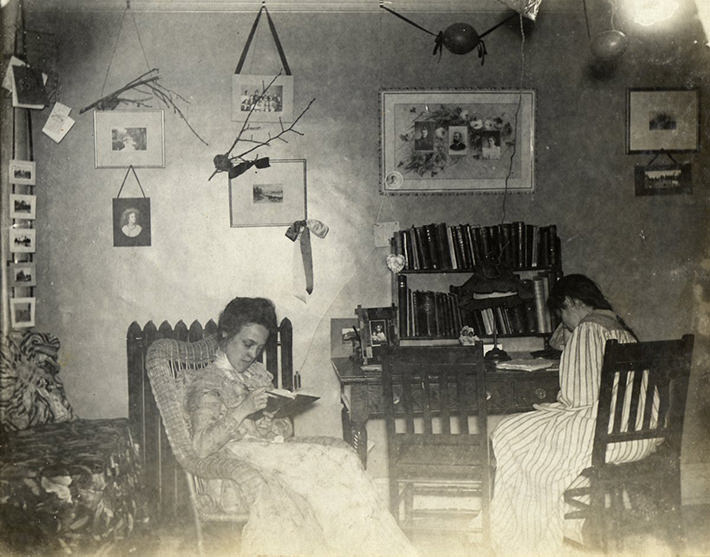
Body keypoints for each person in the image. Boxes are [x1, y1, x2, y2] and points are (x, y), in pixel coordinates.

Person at [185, 297, 418, 557]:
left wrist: (274, 420)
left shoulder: (257, 374)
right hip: (241, 458)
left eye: (258, 348)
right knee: (338, 464)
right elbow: (201, 446)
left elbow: (284, 428)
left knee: (345, 457)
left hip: (269, 453)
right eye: (247, 344)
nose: (252, 355)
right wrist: (244, 411)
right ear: (226, 333)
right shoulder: (207, 381)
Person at [489, 274, 661, 556]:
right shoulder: (621, 330)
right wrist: (570, 326)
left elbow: (578, 397)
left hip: (605, 433)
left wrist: (555, 405)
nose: (562, 321)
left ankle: (527, 540)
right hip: (639, 432)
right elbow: (566, 348)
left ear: (570, 302)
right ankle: (566, 533)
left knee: (511, 432)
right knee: (535, 435)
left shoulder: (589, 329)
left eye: (561, 312)